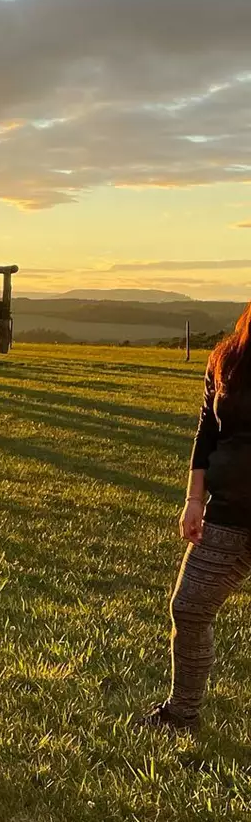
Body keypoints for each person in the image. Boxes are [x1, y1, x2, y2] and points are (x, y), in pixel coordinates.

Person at [141, 303, 251, 732]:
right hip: (224, 511)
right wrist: (193, 499)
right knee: (188, 609)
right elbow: (207, 430)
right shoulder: (227, 358)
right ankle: (181, 713)